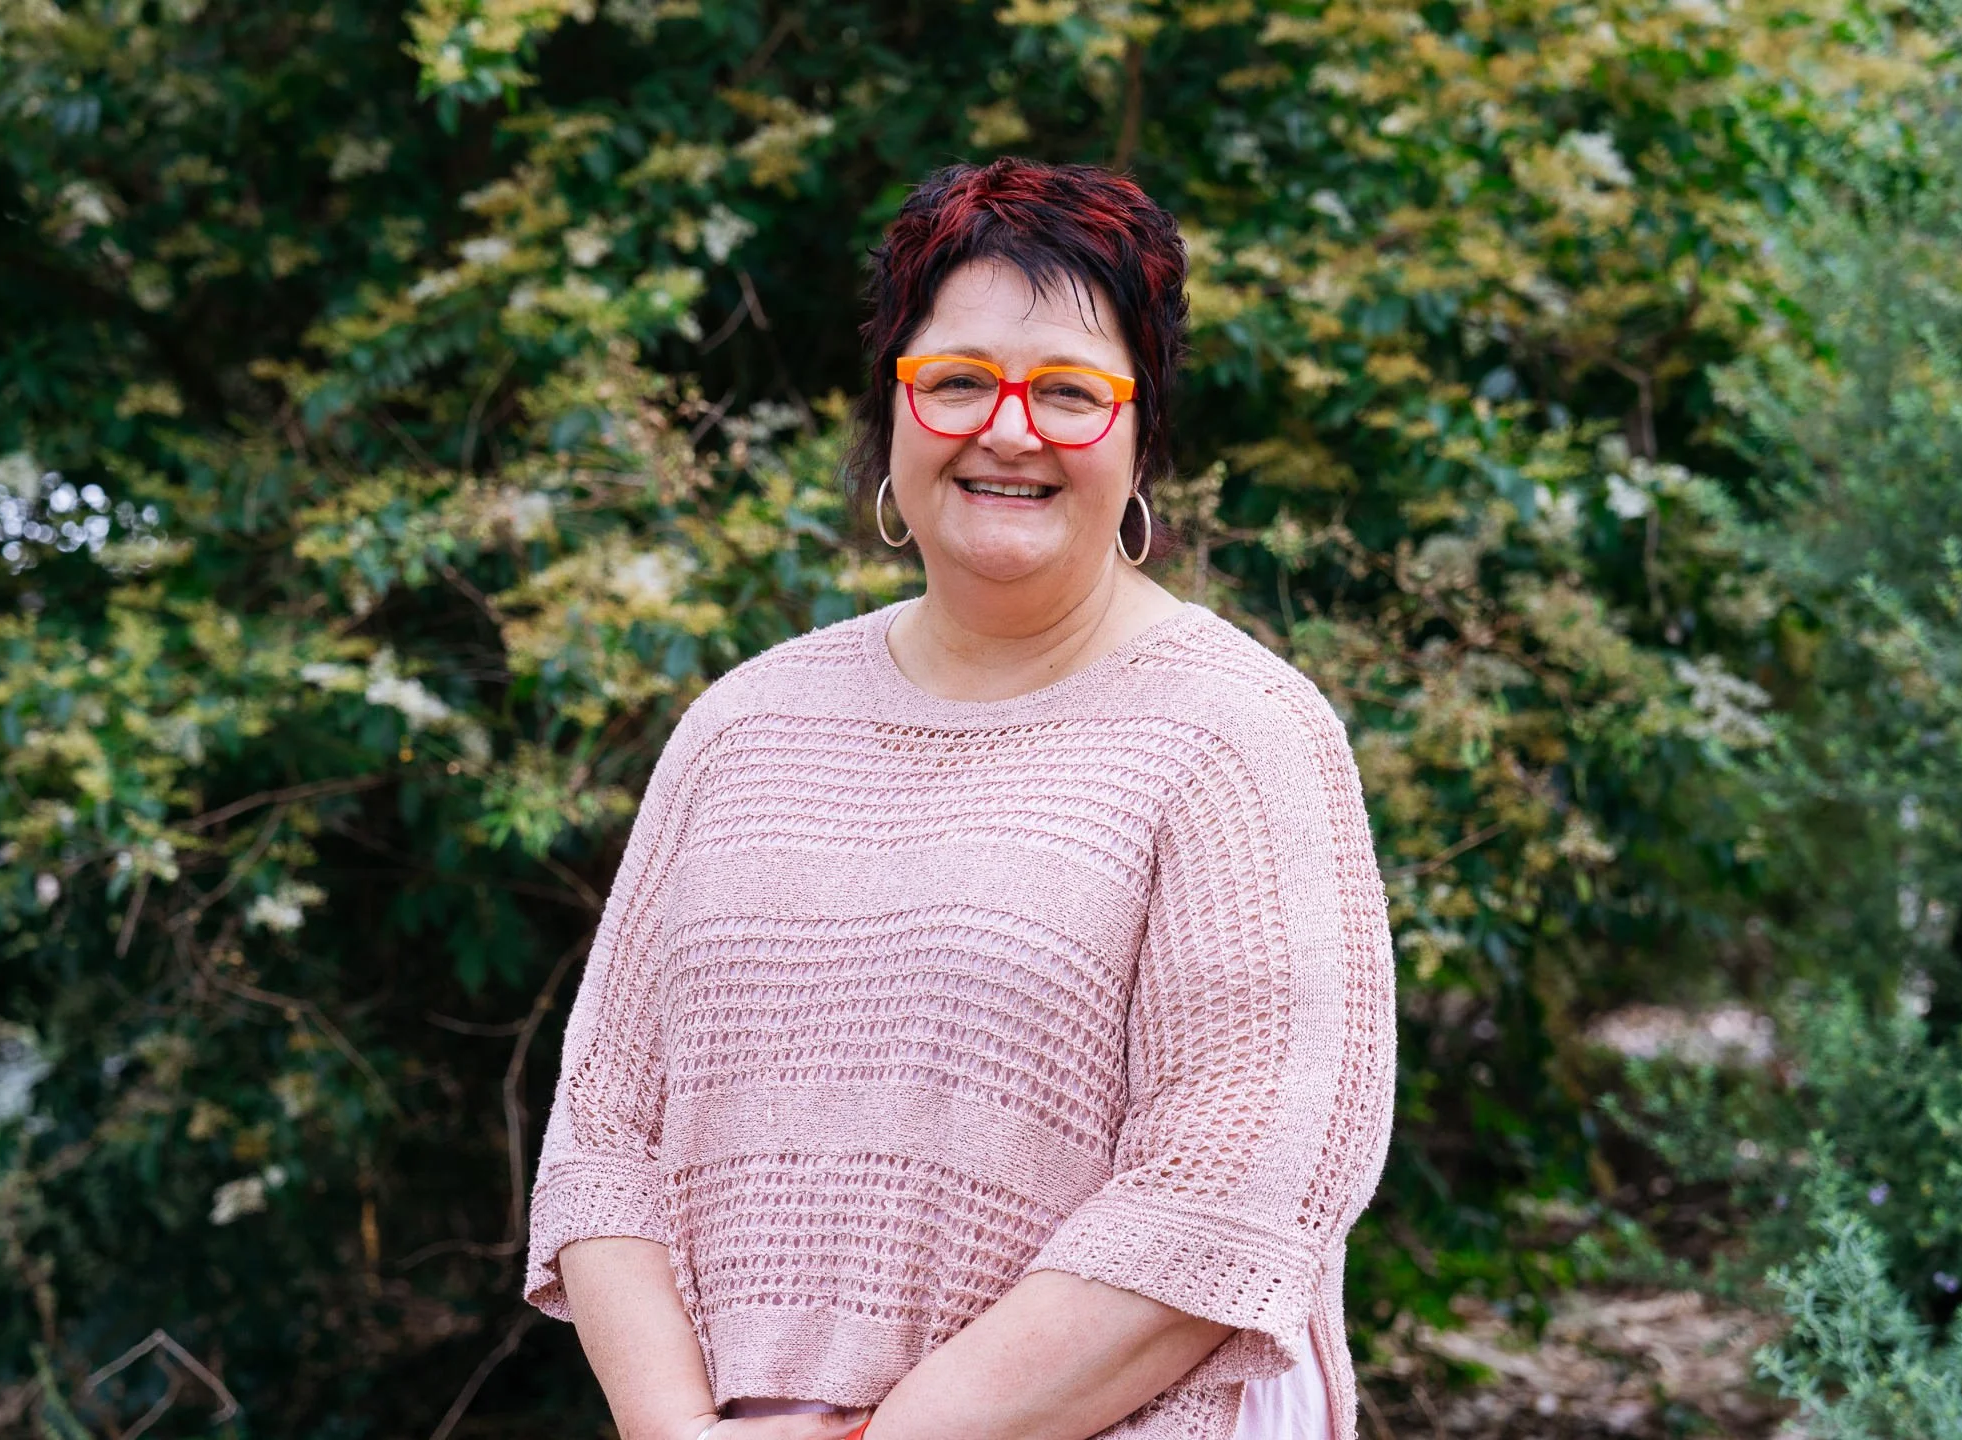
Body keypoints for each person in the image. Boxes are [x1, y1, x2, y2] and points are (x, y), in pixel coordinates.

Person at [524, 157, 1397, 1440]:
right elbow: (601, 1139)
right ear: (894, 417)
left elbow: (1232, 1191)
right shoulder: (741, 728)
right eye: (958, 382)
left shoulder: (1241, 737)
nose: (1009, 428)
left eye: (1069, 393)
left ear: (1145, 431)